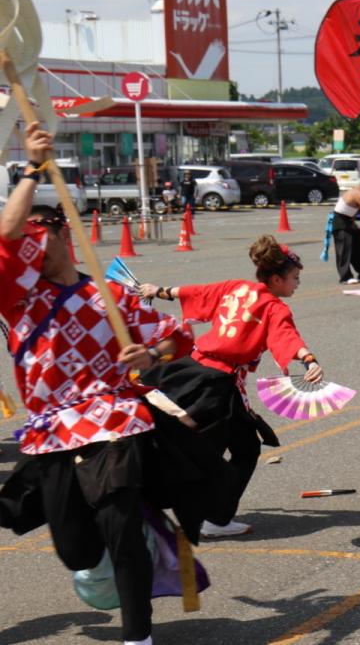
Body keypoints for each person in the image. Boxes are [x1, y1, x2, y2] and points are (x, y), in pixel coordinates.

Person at [0, 122, 194, 645]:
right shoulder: (16, 299)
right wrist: (32, 170)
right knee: (79, 550)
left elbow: (179, 337)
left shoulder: (110, 297)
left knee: (122, 526)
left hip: (113, 418)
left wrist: (149, 351)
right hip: (52, 430)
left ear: (64, 233)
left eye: (41, 231)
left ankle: (138, 636)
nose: (28, 245)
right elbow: (5, 235)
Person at [137, 235, 323, 538]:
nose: (297, 283)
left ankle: (211, 514)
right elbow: (286, 337)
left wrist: (157, 291)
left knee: (235, 446)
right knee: (204, 450)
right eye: (295, 278)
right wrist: (309, 360)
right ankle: (194, 513)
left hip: (193, 370)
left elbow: (196, 292)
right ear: (276, 278)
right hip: (216, 385)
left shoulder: (236, 287)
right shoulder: (275, 308)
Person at [325, 172, 360, 284]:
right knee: (344, 249)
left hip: (349, 220)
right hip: (340, 221)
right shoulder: (359, 193)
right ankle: (345, 277)